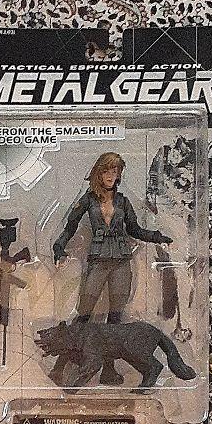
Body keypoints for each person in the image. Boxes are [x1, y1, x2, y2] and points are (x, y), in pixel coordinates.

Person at [51, 152, 172, 385]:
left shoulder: (123, 201)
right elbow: (70, 226)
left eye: (114, 171)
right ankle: (60, 366)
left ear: (119, 175)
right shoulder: (88, 200)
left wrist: (157, 237)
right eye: (106, 170)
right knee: (83, 314)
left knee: (115, 319)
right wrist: (59, 249)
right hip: (98, 261)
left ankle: (108, 370)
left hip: (121, 262)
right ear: (98, 173)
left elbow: (135, 230)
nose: (110, 175)